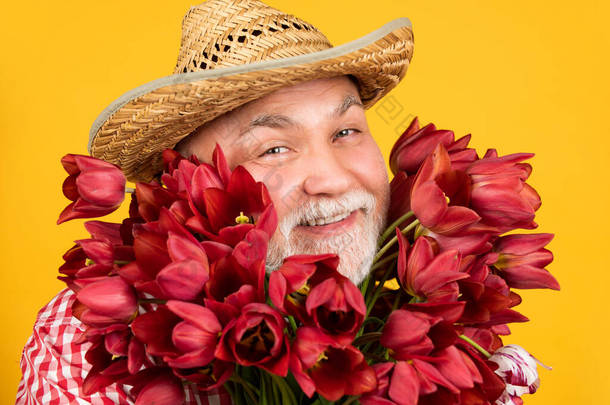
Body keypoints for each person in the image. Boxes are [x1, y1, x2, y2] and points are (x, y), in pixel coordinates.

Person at [16, 0, 414, 403]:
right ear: (184, 185)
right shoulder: (84, 341)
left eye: (346, 132)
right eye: (273, 149)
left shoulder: (432, 304)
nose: (332, 179)